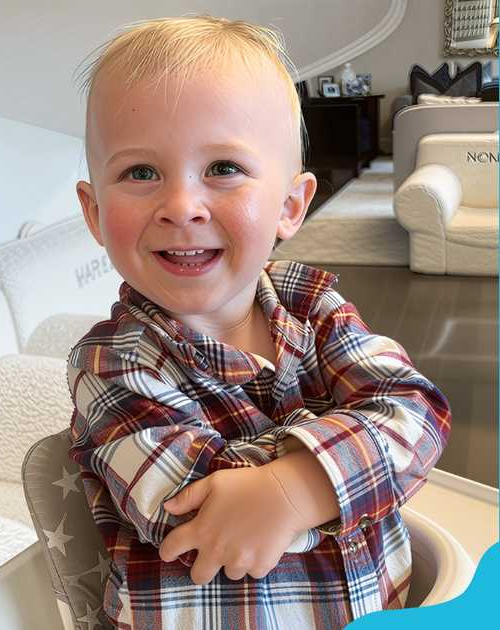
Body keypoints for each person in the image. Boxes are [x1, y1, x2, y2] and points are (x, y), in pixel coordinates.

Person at [68, 15, 450, 628]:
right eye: (141, 173)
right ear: (93, 211)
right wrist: (343, 448)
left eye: (223, 168)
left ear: (291, 205)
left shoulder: (315, 307)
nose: (181, 207)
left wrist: (294, 487)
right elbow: (194, 514)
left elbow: (417, 411)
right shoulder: (113, 361)